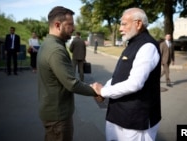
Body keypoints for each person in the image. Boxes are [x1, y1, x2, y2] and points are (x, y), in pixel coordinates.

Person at [91, 8, 161, 141]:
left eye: (124, 24)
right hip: (117, 116)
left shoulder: (147, 46)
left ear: (138, 24)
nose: (120, 29)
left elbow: (135, 84)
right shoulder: (133, 43)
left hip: (135, 121)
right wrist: (102, 91)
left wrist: (104, 91)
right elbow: (119, 75)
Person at [37, 6, 99, 141]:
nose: (74, 27)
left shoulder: (49, 43)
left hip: (52, 110)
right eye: (70, 24)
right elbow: (72, 84)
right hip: (58, 116)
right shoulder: (56, 50)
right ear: (57, 25)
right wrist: (96, 91)